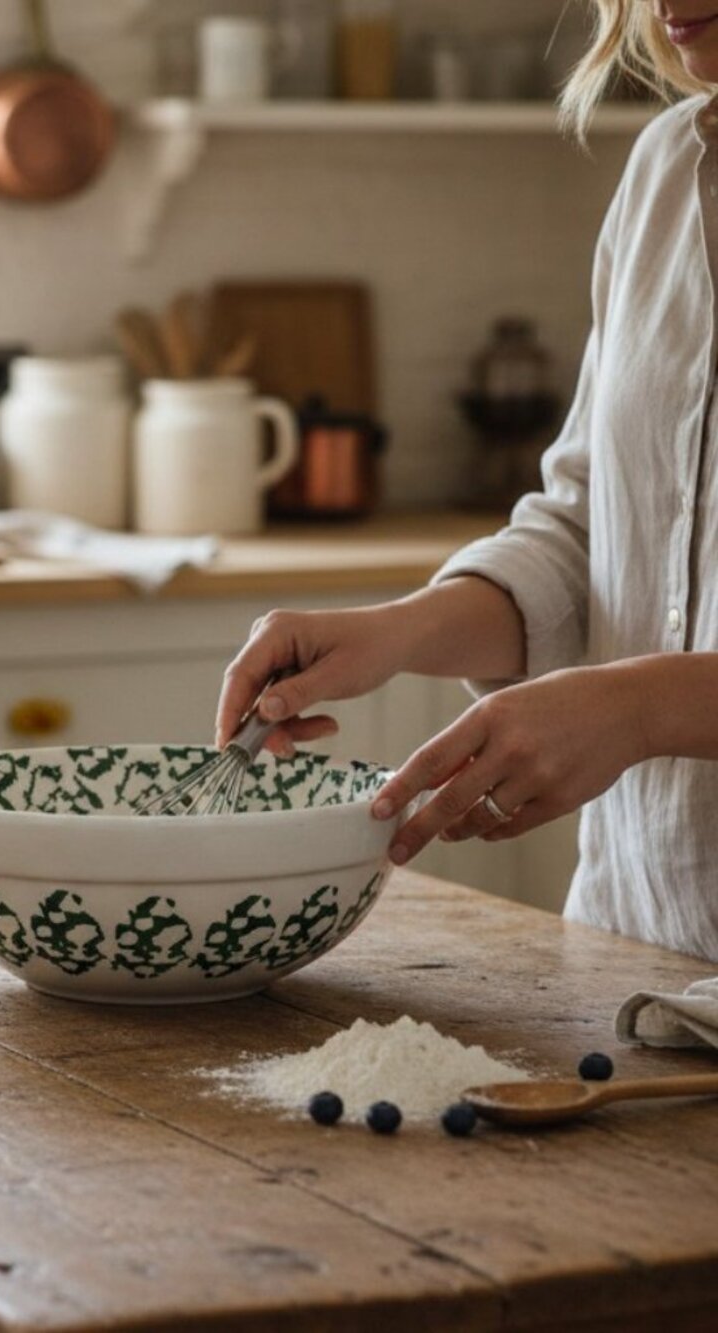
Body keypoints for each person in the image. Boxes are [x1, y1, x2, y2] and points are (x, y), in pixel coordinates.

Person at [215, 0, 718, 962]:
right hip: (638, 948)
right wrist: (401, 630)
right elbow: (587, 529)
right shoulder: (665, 169)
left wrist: (640, 706)